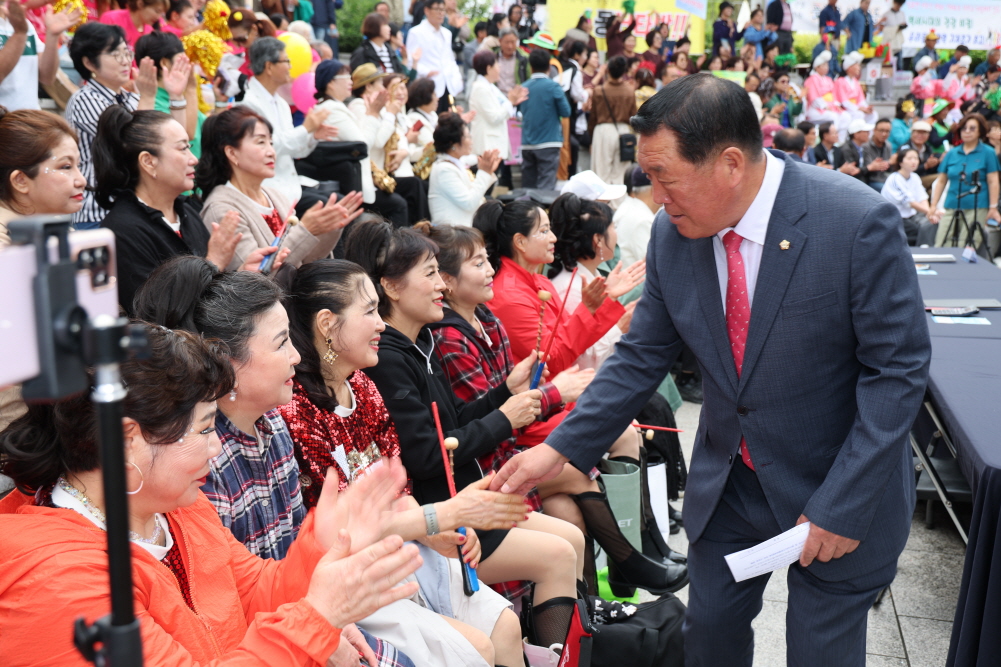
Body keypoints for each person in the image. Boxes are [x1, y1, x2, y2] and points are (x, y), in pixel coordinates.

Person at [489, 72, 931, 667]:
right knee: (709, 639)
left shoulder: (853, 223)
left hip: (836, 483)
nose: (656, 197)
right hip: (733, 485)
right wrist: (557, 452)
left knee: (818, 650)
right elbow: (641, 357)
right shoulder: (677, 235)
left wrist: (840, 505)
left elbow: (897, 373)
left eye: (665, 177)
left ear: (728, 163)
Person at [0, 324, 424, 667]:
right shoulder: (58, 580)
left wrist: (320, 546)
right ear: (127, 441)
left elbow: (253, 592)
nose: (217, 446)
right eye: (204, 429)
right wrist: (316, 617)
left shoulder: (172, 506)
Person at [344, 219, 596, 649]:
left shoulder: (419, 342)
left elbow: (455, 418)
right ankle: (558, 650)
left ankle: (569, 642)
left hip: (462, 498)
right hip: (440, 512)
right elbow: (429, 456)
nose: (440, 283)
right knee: (558, 553)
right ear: (391, 287)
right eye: (429, 273)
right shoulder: (389, 359)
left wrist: (504, 394)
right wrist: (506, 417)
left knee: (569, 537)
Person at [276, 257, 532, 667]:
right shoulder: (296, 410)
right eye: (370, 311)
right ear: (327, 323)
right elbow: (337, 530)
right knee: (474, 649)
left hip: (402, 545)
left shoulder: (362, 384)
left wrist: (437, 532)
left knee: (505, 626)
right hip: (352, 573)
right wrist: (435, 521)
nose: (381, 324)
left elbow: (399, 486)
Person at [422, 221, 687, 596]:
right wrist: (555, 389)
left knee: (571, 498)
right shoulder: (503, 301)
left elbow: (548, 361)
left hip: (521, 424)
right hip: (508, 442)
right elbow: (556, 358)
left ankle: (623, 571)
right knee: (585, 464)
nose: (552, 238)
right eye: (543, 230)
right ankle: (630, 561)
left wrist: (600, 312)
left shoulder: (496, 310)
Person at [93, 107, 251, 312]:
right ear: (149, 162)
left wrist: (242, 273)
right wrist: (213, 263)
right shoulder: (122, 230)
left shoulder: (188, 212)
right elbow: (155, 313)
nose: (193, 159)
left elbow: (211, 295)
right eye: (183, 148)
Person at [0, 109, 88, 433]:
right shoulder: (5, 245)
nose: (81, 179)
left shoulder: (64, 232)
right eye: (65, 167)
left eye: (78, 166)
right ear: (21, 180)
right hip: (16, 438)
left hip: (60, 422)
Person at [196, 106, 363, 271]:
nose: (271, 152)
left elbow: (306, 261)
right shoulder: (222, 210)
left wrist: (330, 228)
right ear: (232, 153)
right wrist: (306, 230)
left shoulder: (275, 196)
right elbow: (255, 281)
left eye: (271, 142)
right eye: (261, 142)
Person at [548, 194, 646, 371]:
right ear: (598, 239)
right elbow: (581, 359)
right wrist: (620, 327)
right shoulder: (571, 287)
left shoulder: (584, 277)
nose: (616, 233)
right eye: (613, 227)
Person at [238, 37, 337, 204]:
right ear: (269, 66)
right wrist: (305, 129)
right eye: (286, 61)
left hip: (290, 187)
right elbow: (269, 147)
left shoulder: (281, 103)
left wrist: (313, 136)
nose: (291, 66)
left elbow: (295, 151)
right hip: (269, 191)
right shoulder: (249, 104)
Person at [66, 23, 141, 229]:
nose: (126, 61)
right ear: (89, 63)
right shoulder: (85, 99)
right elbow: (132, 142)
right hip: (96, 212)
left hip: (126, 209)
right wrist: (149, 95)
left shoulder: (129, 98)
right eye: (116, 54)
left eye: (127, 52)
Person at [930, 113, 1001, 248]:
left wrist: (993, 207)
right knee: (942, 242)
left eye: (972, 128)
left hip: (977, 205)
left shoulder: (988, 152)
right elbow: (941, 181)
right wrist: (933, 205)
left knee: (967, 244)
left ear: (980, 131)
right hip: (952, 203)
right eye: (964, 128)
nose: (967, 131)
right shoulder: (952, 153)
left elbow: (993, 181)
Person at [134, 31, 204, 157]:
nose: (188, 64)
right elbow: (187, 134)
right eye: (181, 59)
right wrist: (191, 88)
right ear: (164, 63)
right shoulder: (152, 103)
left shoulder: (176, 94)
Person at [0, 1, 77, 112]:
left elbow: (47, 77)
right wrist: (19, 34)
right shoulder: (21, 27)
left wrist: (52, 35)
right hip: (5, 123)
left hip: (29, 120)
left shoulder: (23, 23)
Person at [427, 112, 499, 226]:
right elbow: (469, 203)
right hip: (451, 236)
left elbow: (471, 160)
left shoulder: (455, 163)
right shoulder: (443, 169)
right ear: (453, 144)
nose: (471, 141)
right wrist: (484, 172)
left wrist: (487, 170)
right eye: (468, 137)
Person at [518, 48, 570, 190]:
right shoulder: (553, 87)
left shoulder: (523, 87)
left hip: (527, 143)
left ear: (531, 67)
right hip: (549, 142)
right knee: (545, 188)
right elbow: (566, 112)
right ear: (549, 66)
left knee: (528, 186)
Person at [469, 50, 525, 168]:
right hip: (487, 148)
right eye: (496, 64)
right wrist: (510, 102)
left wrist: (512, 102)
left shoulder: (489, 87)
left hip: (493, 146)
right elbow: (494, 117)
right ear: (489, 68)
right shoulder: (481, 88)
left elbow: (503, 109)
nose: (499, 67)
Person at [406, 0, 463, 113]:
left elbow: (450, 59)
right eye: (437, 9)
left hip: (448, 84)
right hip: (429, 87)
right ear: (427, 10)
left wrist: (457, 78)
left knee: (450, 122)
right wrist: (427, 72)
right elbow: (410, 61)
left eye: (443, 10)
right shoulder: (416, 32)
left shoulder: (447, 33)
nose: (441, 13)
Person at [588, 55, 636, 188]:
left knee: (601, 173)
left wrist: (591, 137)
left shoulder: (599, 91)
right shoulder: (629, 91)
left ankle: (602, 206)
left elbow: (593, 117)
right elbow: (633, 115)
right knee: (621, 174)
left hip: (603, 131)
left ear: (607, 70)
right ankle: (618, 205)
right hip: (624, 131)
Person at [882, 146, 938, 246]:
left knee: (932, 222)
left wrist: (930, 214)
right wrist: (930, 212)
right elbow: (910, 202)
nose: (914, 161)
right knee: (920, 229)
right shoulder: (894, 179)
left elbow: (922, 198)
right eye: (909, 158)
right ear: (900, 162)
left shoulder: (915, 177)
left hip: (911, 216)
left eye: (916, 158)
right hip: (895, 217)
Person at [614, 165, 658, 267]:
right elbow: (654, 266)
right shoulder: (641, 219)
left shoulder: (631, 208)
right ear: (654, 189)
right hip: (638, 281)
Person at [835, 51, 878, 138]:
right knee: (859, 114)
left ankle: (868, 137)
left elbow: (861, 100)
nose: (859, 68)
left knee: (873, 115)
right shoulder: (840, 81)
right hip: (846, 109)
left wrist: (866, 108)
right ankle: (854, 137)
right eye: (857, 65)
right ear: (849, 67)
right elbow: (844, 102)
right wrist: (860, 109)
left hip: (856, 108)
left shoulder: (855, 82)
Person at [804, 50, 846, 132]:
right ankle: (833, 138)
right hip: (815, 108)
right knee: (833, 116)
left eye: (827, 65)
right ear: (817, 67)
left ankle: (840, 138)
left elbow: (833, 94)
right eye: (823, 65)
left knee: (845, 116)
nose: (826, 67)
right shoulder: (811, 79)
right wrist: (825, 107)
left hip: (830, 106)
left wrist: (836, 104)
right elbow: (813, 97)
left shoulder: (829, 79)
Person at [100, 0, 168, 48]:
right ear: (140, 4)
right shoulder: (112, 19)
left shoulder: (150, 32)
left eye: (161, 14)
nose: (158, 17)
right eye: (157, 11)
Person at [902, 119, 943, 190]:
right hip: (909, 180)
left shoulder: (928, 148)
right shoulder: (905, 148)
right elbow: (906, 169)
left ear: (928, 135)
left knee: (934, 191)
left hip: (924, 179)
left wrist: (938, 161)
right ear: (912, 133)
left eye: (924, 133)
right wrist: (925, 166)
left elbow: (930, 170)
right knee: (942, 178)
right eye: (918, 132)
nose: (920, 135)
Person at [405, 75, 439, 151]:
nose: (437, 99)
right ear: (425, 97)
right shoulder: (414, 119)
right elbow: (431, 144)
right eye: (434, 95)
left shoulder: (432, 114)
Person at [494, 27, 528, 95]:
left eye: (513, 42)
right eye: (507, 42)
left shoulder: (524, 58)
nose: (510, 46)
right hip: (497, 98)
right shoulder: (493, 58)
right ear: (500, 41)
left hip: (517, 99)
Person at [863, 118, 893, 191]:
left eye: (887, 131)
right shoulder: (866, 146)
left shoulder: (888, 145)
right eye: (881, 130)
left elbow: (889, 168)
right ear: (874, 130)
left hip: (885, 179)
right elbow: (866, 168)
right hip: (870, 181)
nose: (884, 134)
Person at [878, 0, 907, 66]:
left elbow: (904, 24)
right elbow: (881, 28)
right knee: (888, 62)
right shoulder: (886, 14)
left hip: (898, 41)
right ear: (894, 3)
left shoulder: (902, 13)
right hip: (889, 42)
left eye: (900, 5)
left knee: (899, 64)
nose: (898, 6)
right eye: (897, 4)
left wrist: (901, 26)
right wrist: (894, 29)